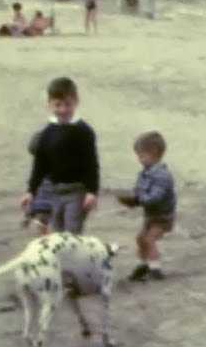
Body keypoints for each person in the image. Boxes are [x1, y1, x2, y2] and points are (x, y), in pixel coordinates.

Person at [20, 77, 100, 235]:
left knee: (72, 233)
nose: (63, 110)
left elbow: (92, 164)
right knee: (56, 234)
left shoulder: (84, 132)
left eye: (68, 104)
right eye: (58, 105)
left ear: (76, 102)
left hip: (77, 191)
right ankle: (61, 260)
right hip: (55, 192)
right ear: (49, 104)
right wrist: (31, 191)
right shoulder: (47, 133)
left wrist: (92, 192)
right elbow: (40, 165)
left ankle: (75, 258)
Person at [118, 132, 178, 282]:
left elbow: (156, 196)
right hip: (151, 215)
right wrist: (133, 198)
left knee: (149, 238)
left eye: (142, 156)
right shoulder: (145, 173)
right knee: (141, 238)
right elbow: (140, 189)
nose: (139, 159)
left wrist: (140, 200)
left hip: (163, 216)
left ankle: (155, 267)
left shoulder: (162, 175)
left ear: (154, 153)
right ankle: (144, 264)